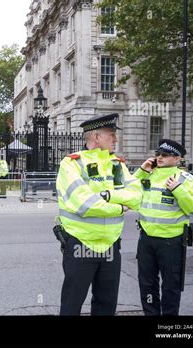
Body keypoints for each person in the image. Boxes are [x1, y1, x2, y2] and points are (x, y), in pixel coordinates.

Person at [55, 113, 142, 315]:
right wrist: (119, 206)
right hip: (80, 244)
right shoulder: (72, 164)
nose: (116, 139)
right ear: (96, 137)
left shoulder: (116, 164)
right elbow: (85, 204)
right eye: (111, 134)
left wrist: (106, 194)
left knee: (106, 305)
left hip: (111, 245)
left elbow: (137, 196)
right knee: (71, 305)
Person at [133, 139, 193, 315]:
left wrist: (178, 189)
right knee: (147, 284)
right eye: (157, 154)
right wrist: (141, 171)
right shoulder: (148, 175)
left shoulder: (185, 179)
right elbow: (128, 191)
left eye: (164, 155)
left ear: (177, 158)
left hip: (171, 242)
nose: (159, 157)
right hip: (146, 240)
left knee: (170, 287)